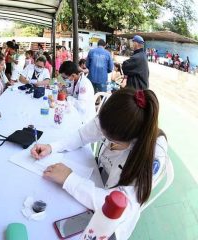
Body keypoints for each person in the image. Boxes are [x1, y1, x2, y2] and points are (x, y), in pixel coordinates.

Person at [30, 88, 168, 239]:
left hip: (114, 219)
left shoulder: (154, 154)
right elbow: (82, 136)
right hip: (97, 179)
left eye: (112, 140)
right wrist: (52, 147)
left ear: (131, 139)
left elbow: (121, 206)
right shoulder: (113, 117)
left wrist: (69, 179)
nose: (103, 136)